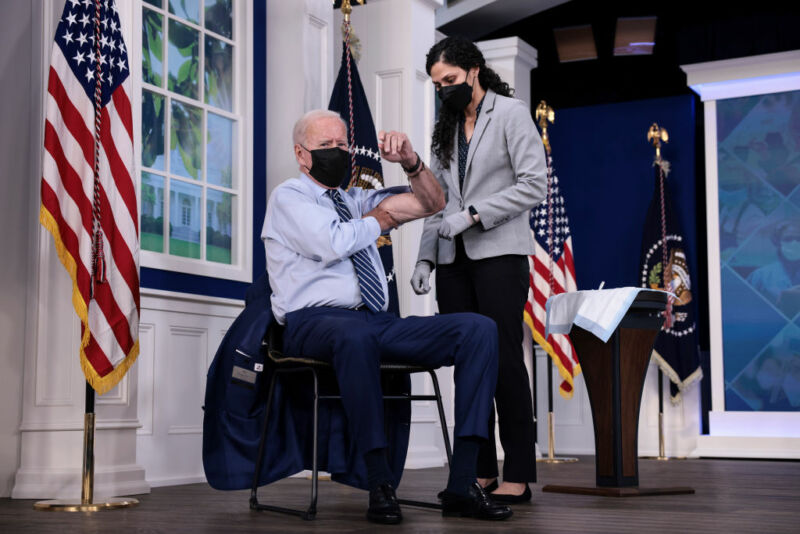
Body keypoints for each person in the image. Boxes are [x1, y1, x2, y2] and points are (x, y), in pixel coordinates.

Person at [262, 109, 513, 524]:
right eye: (327, 146)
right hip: (310, 323)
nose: (339, 152)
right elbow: (333, 241)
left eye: (344, 144)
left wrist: (412, 162)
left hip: (372, 321)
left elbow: (433, 204)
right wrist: (378, 219)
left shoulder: (355, 200)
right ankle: (379, 481)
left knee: (478, 329)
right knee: (354, 337)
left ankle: (463, 482)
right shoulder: (289, 197)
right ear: (301, 154)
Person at [410, 36, 547, 503]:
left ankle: (519, 475)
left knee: (506, 362)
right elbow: (435, 201)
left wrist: (473, 215)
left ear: (473, 71)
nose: (443, 90)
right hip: (453, 264)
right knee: (469, 368)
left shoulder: (511, 113)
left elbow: (534, 185)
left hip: (499, 259)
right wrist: (426, 256)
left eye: (449, 80)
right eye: (436, 84)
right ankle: (481, 470)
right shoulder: (444, 127)